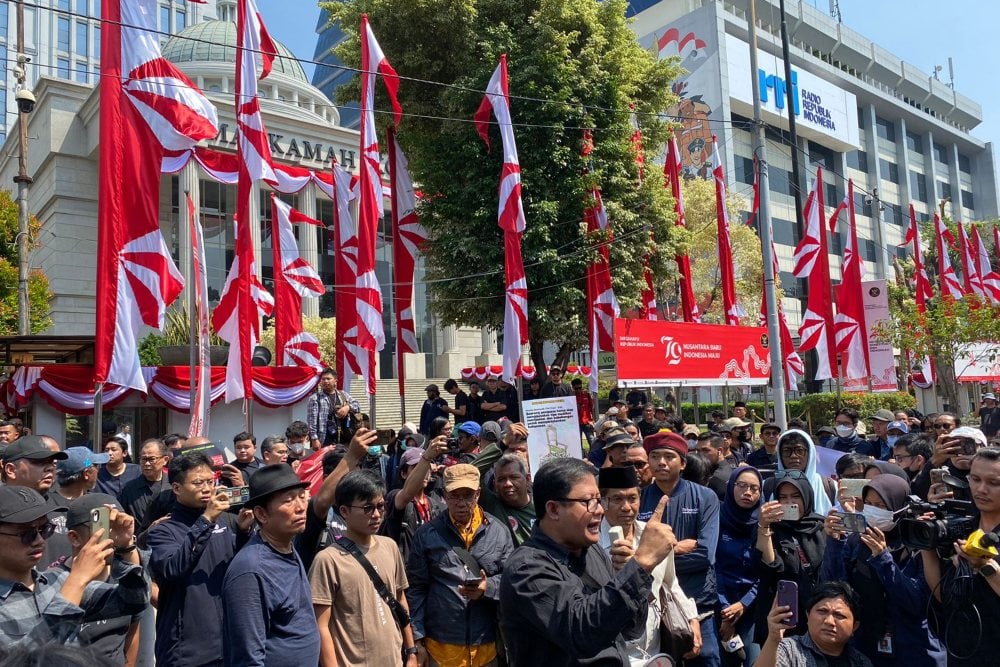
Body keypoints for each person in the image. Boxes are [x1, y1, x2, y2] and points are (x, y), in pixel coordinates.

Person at [499, 458, 678, 665]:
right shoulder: (527, 568)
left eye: (599, 499)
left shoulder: (593, 551)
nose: (600, 510)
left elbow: (632, 628)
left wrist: (630, 574)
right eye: (588, 502)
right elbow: (581, 633)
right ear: (554, 509)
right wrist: (641, 564)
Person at [0, 486, 149, 648]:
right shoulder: (70, 583)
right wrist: (77, 581)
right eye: (26, 534)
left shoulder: (57, 580)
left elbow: (133, 601)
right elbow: (29, 659)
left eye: (45, 530)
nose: (39, 541)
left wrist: (125, 548)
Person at [821, 474, 945, 666]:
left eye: (880, 506)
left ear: (900, 506)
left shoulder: (918, 543)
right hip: (866, 649)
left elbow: (916, 603)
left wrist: (882, 558)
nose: (873, 510)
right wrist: (835, 542)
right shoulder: (857, 541)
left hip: (912, 652)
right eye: (869, 504)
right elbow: (833, 587)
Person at [147, 452, 254, 667]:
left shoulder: (223, 521)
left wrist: (243, 532)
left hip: (225, 641)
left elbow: (235, 565)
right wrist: (206, 519)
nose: (207, 488)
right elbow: (172, 569)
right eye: (198, 483)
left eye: (210, 481)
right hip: (186, 648)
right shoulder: (163, 531)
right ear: (177, 488)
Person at [407, 464, 514, 667]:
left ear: (478, 494)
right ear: (444, 496)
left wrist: (487, 588)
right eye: (455, 495)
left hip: (486, 647)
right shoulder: (427, 534)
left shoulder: (498, 532)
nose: (461, 503)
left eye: (468, 495)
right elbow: (416, 588)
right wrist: (417, 640)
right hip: (441, 648)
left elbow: (512, 581)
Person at [309, 470, 419, 667]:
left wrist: (411, 652)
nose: (376, 515)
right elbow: (321, 626)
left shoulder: (390, 547)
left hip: (394, 660)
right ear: (344, 511)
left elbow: (400, 599)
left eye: (380, 506)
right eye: (368, 508)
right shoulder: (328, 560)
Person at [598, 465, 701, 665]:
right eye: (617, 499)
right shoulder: (590, 544)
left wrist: (692, 619)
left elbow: (671, 583)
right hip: (614, 649)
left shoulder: (656, 535)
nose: (626, 507)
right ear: (603, 501)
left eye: (632, 498)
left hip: (654, 645)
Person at [638, 430, 722, 667]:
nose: (661, 462)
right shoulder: (639, 499)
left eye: (669, 456)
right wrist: (675, 548)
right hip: (654, 604)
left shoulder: (705, 498)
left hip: (699, 601)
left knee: (706, 659)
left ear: (683, 463)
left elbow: (705, 555)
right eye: (654, 456)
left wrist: (655, 556)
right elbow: (636, 556)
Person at [222, 465, 319, 666]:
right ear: (262, 514)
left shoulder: (288, 547)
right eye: (288, 500)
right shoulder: (251, 570)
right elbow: (248, 657)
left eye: (302, 496)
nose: (301, 507)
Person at [920, 447, 1000, 666]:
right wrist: (927, 543)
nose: (981, 489)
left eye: (994, 483)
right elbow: (944, 598)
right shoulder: (963, 528)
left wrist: (985, 567)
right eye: (975, 479)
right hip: (963, 649)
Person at [55, 494, 145, 665]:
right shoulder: (52, 582)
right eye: (102, 526)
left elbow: (132, 630)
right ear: (74, 537)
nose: (112, 535)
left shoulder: (125, 578)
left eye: (117, 524)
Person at [753, 476, 827, 645]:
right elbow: (769, 568)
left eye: (795, 496)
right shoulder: (769, 527)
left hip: (818, 613)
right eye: (783, 498)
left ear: (806, 497)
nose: (789, 502)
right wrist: (764, 527)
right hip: (783, 614)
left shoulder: (821, 526)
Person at [755, 581, 873, 667]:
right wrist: (773, 639)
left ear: (854, 626)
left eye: (839, 615)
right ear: (808, 615)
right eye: (822, 611)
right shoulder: (787, 649)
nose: (829, 621)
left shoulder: (861, 662)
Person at [717, 468, 765, 667]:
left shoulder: (765, 523)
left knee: (755, 660)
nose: (748, 492)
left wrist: (744, 604)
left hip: (753, 605)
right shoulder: (717, 517)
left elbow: (767, 570)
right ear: (731, 486)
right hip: (719, 603)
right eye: (742, 486)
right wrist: (725, 609)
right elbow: (712, 565)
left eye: (754, 488)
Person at [1, 436, 72, 565]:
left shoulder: (66, 508)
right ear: (11, 470)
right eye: (39, 462)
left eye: (52, 463)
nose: (50, 468)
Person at [383, 442, 448, 561]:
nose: (423, 472)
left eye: (426, 467)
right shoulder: (395, 497)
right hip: (405, 574)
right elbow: (407, 493)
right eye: (416, 468)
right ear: (403, 473)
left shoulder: (435, 504)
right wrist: (426, 457)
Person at [763, 430, 835, 515]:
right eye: (787, 451)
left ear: (810, 453)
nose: (793, 456)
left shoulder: (829, 487)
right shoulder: (767, 487)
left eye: (800, 451)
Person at [477, 453, 535, 545]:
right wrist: (502, 444)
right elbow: (471, 472)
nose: (508, 484)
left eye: (514, 477)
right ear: (494, 484)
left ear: (527, 479)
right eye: (501, 479)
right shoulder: (492, 504)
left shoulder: (543, 507)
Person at [119, 439, 170, 531]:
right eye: (144, 459)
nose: (147, 464)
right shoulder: (129, 489)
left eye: (151, 459)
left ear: (165, 460)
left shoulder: (173, 487)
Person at [307, 367, 360, 448]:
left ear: (335, 380)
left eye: (328, 379)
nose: (325, 381)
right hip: (324, 438)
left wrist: (347, 407)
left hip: (343, 438)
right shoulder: (315, 398)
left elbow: (357, 405)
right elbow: (311, 420)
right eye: (323, 379)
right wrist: (314, 439)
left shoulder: (343, 395)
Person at [95, 437, 141, 503]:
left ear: (124, 453)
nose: (109, 453)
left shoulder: (137, 471)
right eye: (107, 450)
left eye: (114, 450)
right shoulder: (98, 475)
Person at [697, 432, 735, 500]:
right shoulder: (707, 471)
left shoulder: (718, 478)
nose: (700, 454)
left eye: (705, 450)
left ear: (719, 451)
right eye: (698, 451)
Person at [573, 378, 595, 448]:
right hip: (576, 423)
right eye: (576, 388)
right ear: (573, 388)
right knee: (578, 443)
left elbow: (592, 409)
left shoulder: (587, 395)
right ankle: (582, 457)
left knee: (592, 441)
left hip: (587, 422)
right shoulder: (571, 397)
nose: (578, 390)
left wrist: (593, 420)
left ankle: (593, 457)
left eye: (580, 388)